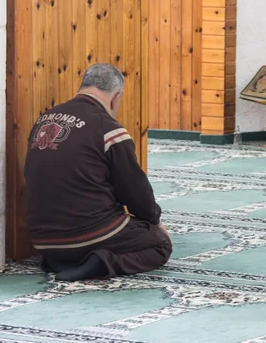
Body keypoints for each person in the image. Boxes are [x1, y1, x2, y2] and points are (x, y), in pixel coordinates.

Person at [23, 63, 172, 281]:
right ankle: (101, 264)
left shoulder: (44, 119)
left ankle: (59, 261)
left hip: (43, 240)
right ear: (115, 96)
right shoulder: (109, 129)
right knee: (159, 244)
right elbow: (135, 192)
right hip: (90, 235)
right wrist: (155, 222)